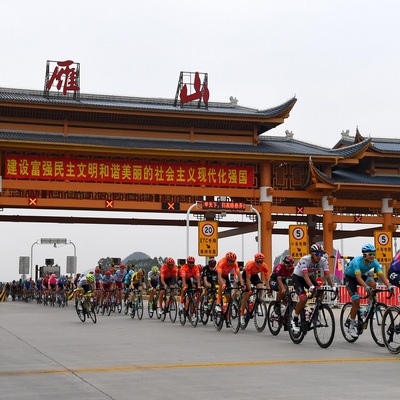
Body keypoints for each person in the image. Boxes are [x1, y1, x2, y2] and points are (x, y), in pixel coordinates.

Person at [344, 243, 394, 338]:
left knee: (374, 284)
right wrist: (366, 287)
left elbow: (381, 275)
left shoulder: (374, 262)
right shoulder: (357, 261)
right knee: (356, 300)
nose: (372, 256)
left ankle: (370, 307)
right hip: (350, 278)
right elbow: (358, 278)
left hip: (361, 276)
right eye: (370, 254)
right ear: (364, 255)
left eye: (373, 254)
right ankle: (351, 326)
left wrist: (388, 286)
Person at [291, 243, 337, 333]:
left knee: (320, 292)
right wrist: (311, 286)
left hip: (309, 276)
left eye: (321, 254)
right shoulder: (305, 260)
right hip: (298, 277)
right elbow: (304, 275)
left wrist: (333, 286)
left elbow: (327, 275)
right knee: (303, 298)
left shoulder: (323, 260)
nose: (319, 256)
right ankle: (295, 318)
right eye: (317, 254)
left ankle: (315, 312)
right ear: (312, 254)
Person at [240, 252, 271, 325]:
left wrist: (268, 289)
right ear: (255, 260)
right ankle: (241, 315)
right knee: (246, 295)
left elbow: (267, 280)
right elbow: (248, 279)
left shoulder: (265, 266)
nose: (259, 264)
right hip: (246, 275)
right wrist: (249, 289)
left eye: (261, 262)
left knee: (260, 286)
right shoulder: (250, 265)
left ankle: (258, 301)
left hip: (254, 275)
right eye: (257, 262)